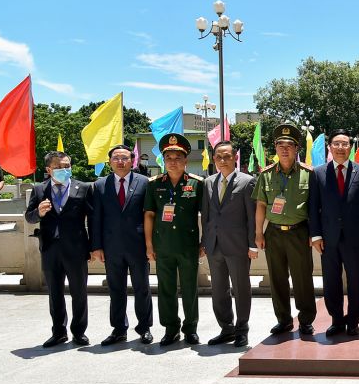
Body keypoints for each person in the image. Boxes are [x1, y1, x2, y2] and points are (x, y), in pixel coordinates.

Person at [309, 129, 359, 337]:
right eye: (336, 144)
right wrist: (316, 236)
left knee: (355, 281)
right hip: (327, 239)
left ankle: (354, 321)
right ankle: (337, 320)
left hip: (355, 238)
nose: (340, 148)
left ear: (350, 147)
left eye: (345, 144)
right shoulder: (319, 173)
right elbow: (313, 207)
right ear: (330, 147)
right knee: (331, 281)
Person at [254, 124, 318, 337]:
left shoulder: (308, 174)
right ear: (275, 147)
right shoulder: (266, 175)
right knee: (277, 278)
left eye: (289, 145)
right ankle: (283, 320)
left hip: (299, 232)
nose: (284, 149)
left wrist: (313, 232)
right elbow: (261, 205)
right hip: (273, 233)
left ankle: (306, 320)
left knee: (302, 279)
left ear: (297, 148)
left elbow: (314, 207)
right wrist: (258, 233)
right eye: (280, 145)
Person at [25, 151, 94, 347]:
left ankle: (79, 332)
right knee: (54, 293)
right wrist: (38, 212)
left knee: (79, 292)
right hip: (50, 248)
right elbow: (29, 217)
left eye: (67, 166)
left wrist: (93, 247)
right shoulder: (39, 190)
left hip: (76, 248)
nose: (65, 170)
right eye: (59, 167)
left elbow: (93, 219)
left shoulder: (83, 188)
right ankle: (58, 332)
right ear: (48, 169)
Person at [144, 133, 204, 346]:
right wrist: (149, 245)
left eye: (178, 158)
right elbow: (149, 215)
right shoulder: (154, 185)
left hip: (188, 245)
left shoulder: (197, 184)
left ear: (186, 160)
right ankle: (170, 328)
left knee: (190, 288)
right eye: (168, 158)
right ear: (163, 160)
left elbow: (205, 216)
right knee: (166, 288)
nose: (173, 162)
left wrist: (203, 242)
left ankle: (191, 328)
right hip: (163, 245)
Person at [90, 144, 154, 345]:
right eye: (116, 158)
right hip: (111, 247)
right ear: (109, 162)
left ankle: (145, 328)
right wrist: (96, 246)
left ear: (132, 160)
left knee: (142, 288)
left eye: (125, 158)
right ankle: (118, 329)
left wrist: (151, 245)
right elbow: (95, 219)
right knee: (116, 289)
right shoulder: (100, 185)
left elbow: (151, 215)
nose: (120, 162)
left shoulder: (145, 183)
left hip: (138, 246)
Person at [201, 140, 258, 347]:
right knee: (219, 289)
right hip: (214, 245)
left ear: (235, 157)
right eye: (218, 156)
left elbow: (252, 217)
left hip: (238, 246)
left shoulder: (247, 181)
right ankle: (226, 328)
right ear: (214, 159)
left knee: (241, 288)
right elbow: (206, 216)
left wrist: (253, 245)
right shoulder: (208, 182)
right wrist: (204, 242)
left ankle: (242, 329)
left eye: (227, 156)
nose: (222, 160)